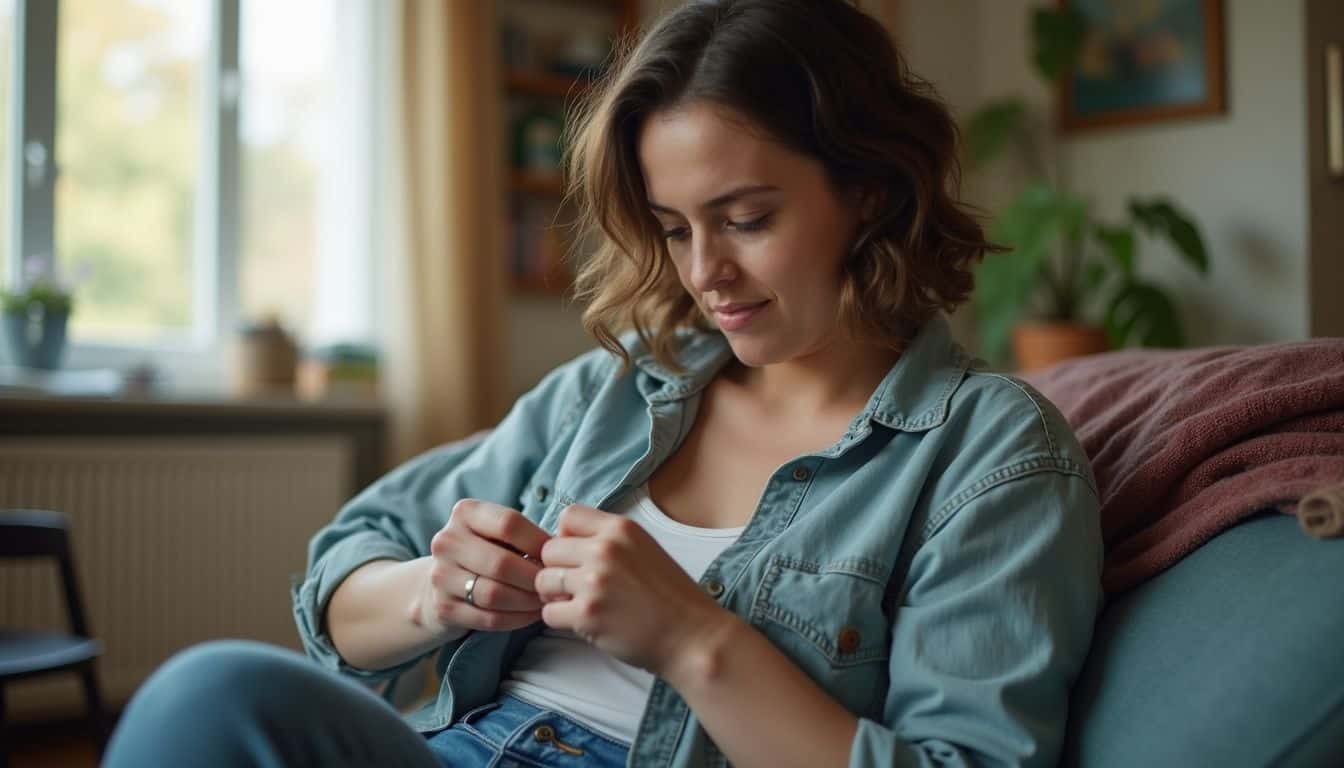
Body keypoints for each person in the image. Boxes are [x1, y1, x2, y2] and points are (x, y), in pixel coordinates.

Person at [103, 1, 1102, 766]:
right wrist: (436, 594)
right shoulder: (620, 386)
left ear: (870, 190)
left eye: (746, 219)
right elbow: (337, 579)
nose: (703, 273)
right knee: (210, 694)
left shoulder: (989, 452)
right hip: (462, 746)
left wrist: (694, 640)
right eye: (673, 229)